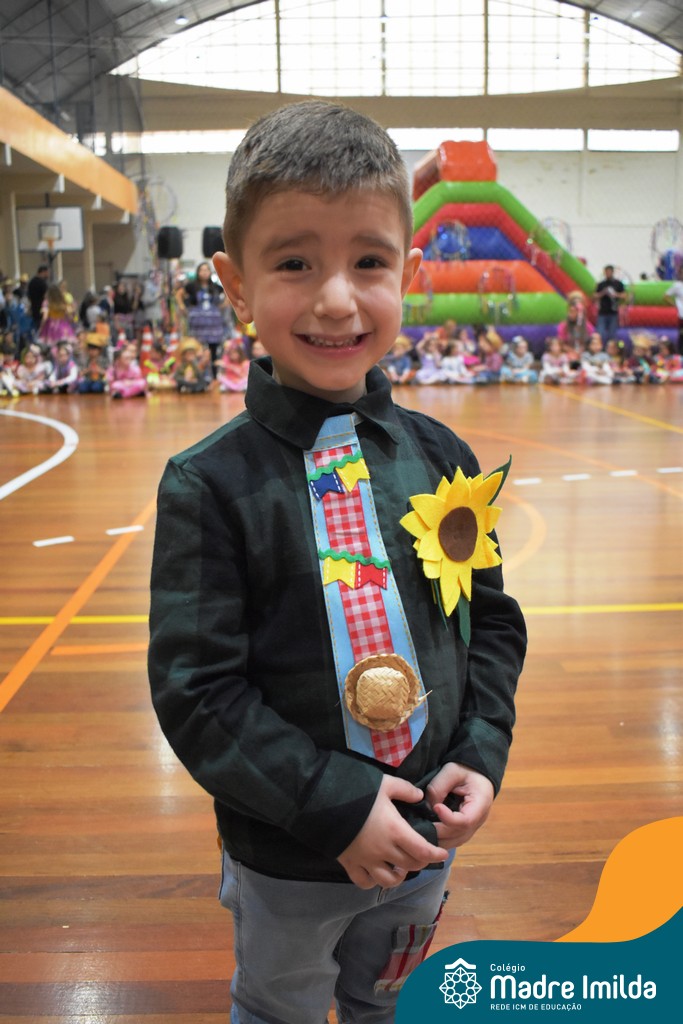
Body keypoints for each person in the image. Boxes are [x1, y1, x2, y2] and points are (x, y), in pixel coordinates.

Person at [148, 100, 526, 1024]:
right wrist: (335, 806)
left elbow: (491, 622)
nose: (334, 299)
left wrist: (481, 750)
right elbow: (199, 693)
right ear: (235, 286)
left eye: (368, 262)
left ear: (409, 274)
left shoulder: (441, 456)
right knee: (277, 1005)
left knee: (386, 1000)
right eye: (293, 263)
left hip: (425, 838)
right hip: (290, 853)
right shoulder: (208, 485)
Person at [593, 265, 625, 347]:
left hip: (613, 312)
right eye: (606, 272)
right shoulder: (601, 284)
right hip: (602, 312)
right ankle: (601, 348)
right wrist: (603, 292)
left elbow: (624, 295)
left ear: (612, 272)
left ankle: (611, 348)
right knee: (600, 332)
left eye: (609, 272)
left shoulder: (618, 284)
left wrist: (615, 294)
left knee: (612, 333)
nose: (608, 273)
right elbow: (595, 296)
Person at [664, 265, 683, 353]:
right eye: (681, 273)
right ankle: (680, 353)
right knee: (681, 336)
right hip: (682, 316)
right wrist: (675, 305)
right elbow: (666, 296)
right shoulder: (677, 286)